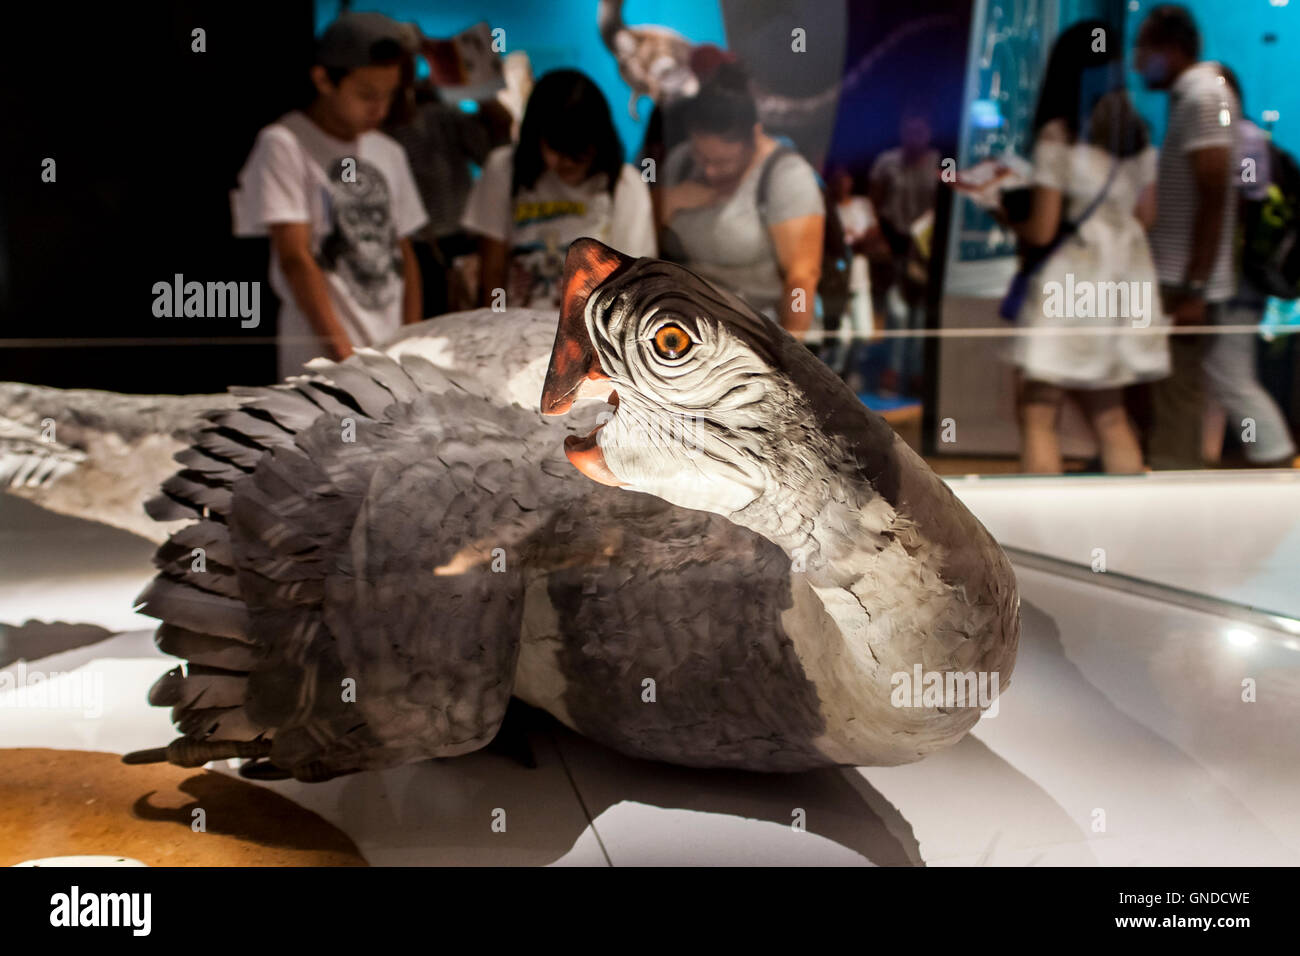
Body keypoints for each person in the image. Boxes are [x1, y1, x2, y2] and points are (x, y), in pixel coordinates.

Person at [1003, 20, 1165, 474]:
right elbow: (1146, 218)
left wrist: (1006, 215)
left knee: (1039, 413)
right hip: (1120, 283)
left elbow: (1042, 229)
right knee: (1111, 415)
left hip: (1070, 283)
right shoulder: (1136, 134)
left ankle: (1040, 533)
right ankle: (1128, 532)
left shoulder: (1060, 135)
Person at [231, 12, 428, 381]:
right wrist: (344, 357)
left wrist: (410, 345)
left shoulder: (388, 151)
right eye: (367, 95)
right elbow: (295, 258)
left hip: (390, 360)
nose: (380, 109)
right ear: (323, 79)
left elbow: (403, 251)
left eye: (388, 95)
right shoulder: (284, 143)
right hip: (320, 364)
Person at [1135, 4, 1240, 469]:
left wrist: (1196, 286)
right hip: (1181, 279)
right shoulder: (1194, 95)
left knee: (1178, 401)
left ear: (1171, 50)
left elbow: (1214, 194)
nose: (1139, 61)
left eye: (1145, 48)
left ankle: (1169, 507)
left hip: (1185, 283)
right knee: (1174, 397)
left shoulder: (1202, 96)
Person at [460, 69, 656, 310]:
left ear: (600, 142)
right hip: (519, 324)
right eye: (557, 151)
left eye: (579, 153)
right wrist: (494, 326)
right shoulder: (504, 169)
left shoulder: (626, 183)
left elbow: (634, 282)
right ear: (537, 138)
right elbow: (492, 269)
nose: (568, 162)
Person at [655, 62, 825, 337]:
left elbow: (802, 276)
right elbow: (645, 242)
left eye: (723, 162)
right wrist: (671, 199)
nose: (709, 170)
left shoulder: (786, 175)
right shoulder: (681, 163)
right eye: (702, 157)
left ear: (755, 137)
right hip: (693, 329)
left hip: (765, 331)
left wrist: (789, 351)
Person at [1200, 66, 1297, 467]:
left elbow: (1240, 207)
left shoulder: (1244, 139)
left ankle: (1274, 454)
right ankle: (1221, 454)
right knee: (1221, 370)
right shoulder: (1242, 137)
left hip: (1239, 279)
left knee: (1230, 372)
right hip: (1237, 277)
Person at [869, 104, 941, 397]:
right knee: (897, 312)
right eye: (909, 130)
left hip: (926, 250)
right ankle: (892, 373)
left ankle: (916, 375)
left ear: (929, 132)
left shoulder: (940, 163)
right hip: (896, 243)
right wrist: (881, 239)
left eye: (920, 130)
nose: (914, 136)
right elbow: (874, 202)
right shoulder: (887, 162)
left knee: (921, 315)